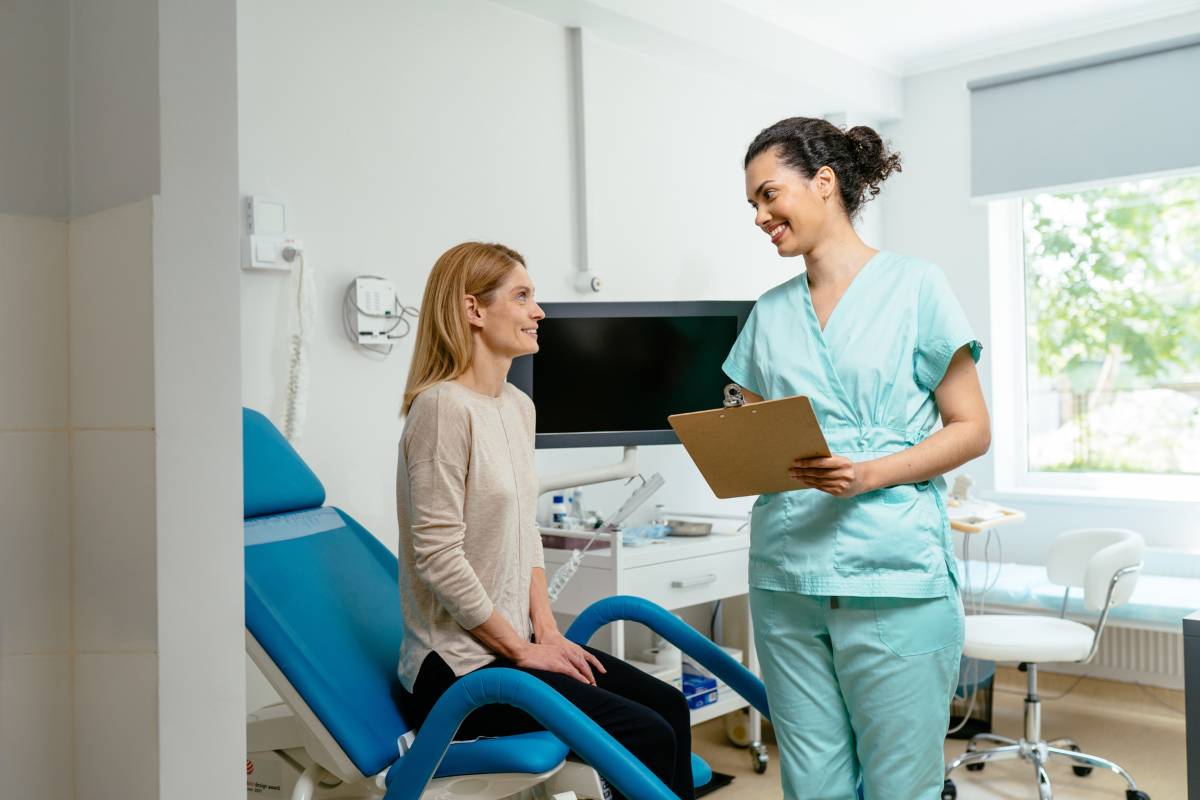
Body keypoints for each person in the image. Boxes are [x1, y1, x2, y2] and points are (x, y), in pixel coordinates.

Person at [724, 117, 991, 799]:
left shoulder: (916, 286)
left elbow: (970, 428)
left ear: (824, 182)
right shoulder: (768, 314)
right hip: (787, 577)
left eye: (769, 194)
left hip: (894, 575)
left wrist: (871, 472)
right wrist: (735, 441)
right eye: (751, 204)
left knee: (901, 785)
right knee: (812, 785)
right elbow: (754, 437)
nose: (760, 216)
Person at [396, 241, 695, 800]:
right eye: (523, 296)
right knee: (645, 734)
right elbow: (438, 557)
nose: (540, 312)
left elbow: (524, 532)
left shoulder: (516, 405)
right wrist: (520, 649)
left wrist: (548, 632)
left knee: (669, 706)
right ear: (472, 310)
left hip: (512, 648)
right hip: (459, 671)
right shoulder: (441, 408)